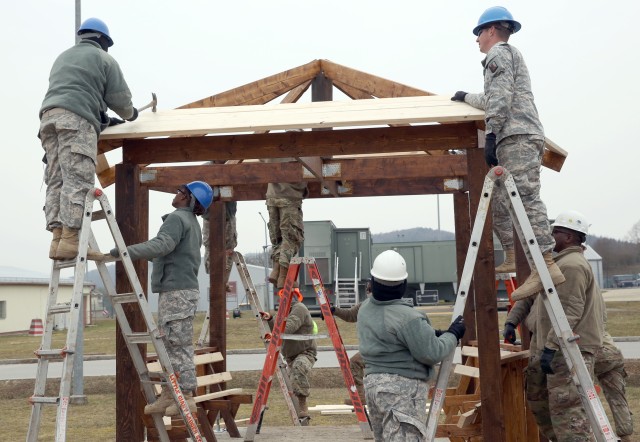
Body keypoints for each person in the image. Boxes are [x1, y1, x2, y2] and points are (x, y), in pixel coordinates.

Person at [451, 6, 563, 299]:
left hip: (516, 136)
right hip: (518, 134)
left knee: (525, 197)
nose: (477, 41)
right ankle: (517, 253)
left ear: (489, 31)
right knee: (504, 199)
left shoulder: (498, 54)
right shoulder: (507, 57)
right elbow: (493, 97)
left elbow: (499, 98)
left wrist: (490, 133)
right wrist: (466, 98)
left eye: (478, 34)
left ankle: (546, 263)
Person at [505, 216, 633, 441]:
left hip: (566, 349)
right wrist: (511, 321)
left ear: (569, 236)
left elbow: (569, 311)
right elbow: (528, 295)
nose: (550, 237)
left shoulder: (572, 265)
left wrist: (552, 346)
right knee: (542, 403)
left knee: (568, 411)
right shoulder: (555, 265)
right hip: (549, 345)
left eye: (556, 233)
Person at [110, 181, 214, 416]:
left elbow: (162, 245)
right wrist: (133, 254)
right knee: (168, 345)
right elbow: (168, 255)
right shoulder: (190, 223)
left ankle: (185, 396)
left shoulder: (177, 218)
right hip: (177, 292)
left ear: (190, 199)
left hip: (177, 293)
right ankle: (169, 394)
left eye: (181, 191)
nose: (176, 193)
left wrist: (124, 251)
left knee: (178, 346)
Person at [40, 17, 137, 261]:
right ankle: (71, 240)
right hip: (76, 120)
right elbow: (121, 100)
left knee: (57, 178)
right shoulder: (104, 59)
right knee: (78, 180)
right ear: (103, 40)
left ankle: (57, 239)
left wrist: (101, 117)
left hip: (49, 118)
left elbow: (74, 91)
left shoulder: (62, 57)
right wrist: (130, 114)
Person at [357, 250, 465, 441]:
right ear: (403, 285)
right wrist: (453, 335)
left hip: (374, 387)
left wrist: (434, 334)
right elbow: (432, 352)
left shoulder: (365, 309)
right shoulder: (408, 318)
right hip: (401, 390)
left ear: (373, 282)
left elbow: (396, 335)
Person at [260, 288, 317, 419]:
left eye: (284, 297)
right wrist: (270, 319)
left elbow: (288, 328)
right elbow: (279, 327)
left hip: (305, 352)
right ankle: (299, 406)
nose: (281, 300)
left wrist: (274, 330)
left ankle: (303, 404)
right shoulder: (284, 311)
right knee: (294, 379)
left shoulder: (299, 308)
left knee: (298, 368)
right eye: (281, 297)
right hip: (290, 356)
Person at [264, 130, 309, 289]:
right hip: (289, 197)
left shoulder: (273, 149)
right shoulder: (301, 150)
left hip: (271, 198)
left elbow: (262, 158)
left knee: (278, 238)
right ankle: (283, 276)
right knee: (292, 237)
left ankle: (276, 271)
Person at [202, 201, 238, 288]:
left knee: (228, 248)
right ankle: (219, 280)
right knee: (212, 246)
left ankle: (223, 280)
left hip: (227, 216)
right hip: (212, 217)